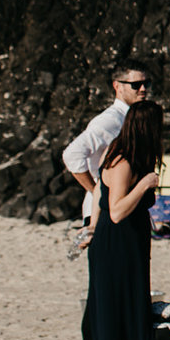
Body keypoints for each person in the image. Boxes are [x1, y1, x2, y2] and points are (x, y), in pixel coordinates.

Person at [85, 95, 162, 340]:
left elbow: (97, 196)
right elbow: (116, 210)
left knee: (119, 307)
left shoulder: (119, 153)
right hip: (116, 244)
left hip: (122, 243)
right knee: (115, 310)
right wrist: (144, 185)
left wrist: (91, 227)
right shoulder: (124, 162)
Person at [64, 61, 146, 228]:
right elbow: (72, 154)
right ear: (118, 86)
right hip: (105, 209)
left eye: (146, 84)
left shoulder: (134, 117)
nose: (143, 89)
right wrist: (96, 192)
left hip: (123, 205)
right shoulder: (110, 120)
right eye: (136, 85)